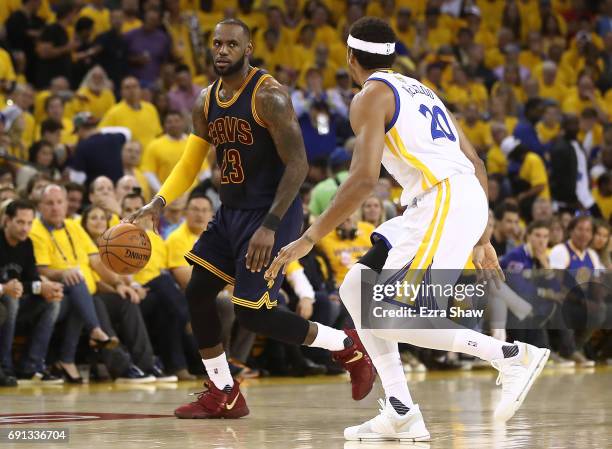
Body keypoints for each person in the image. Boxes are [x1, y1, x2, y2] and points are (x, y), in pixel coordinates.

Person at [266, 17, 550, 441]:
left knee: (388, 314)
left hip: (441, 200)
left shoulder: (369, 97)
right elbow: (477, 164)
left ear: (350, 58)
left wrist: (310, 237)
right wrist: (482, 236)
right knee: (357, 288)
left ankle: (510, 354)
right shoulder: (422, 90)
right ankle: (400, 410)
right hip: (446, 200)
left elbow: (363, 179)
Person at [126, 18, 375, 419]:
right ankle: (224, 391)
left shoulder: (269, 96)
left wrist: (271, 226)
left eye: (231, 44)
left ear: (248, 49)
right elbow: (191, 163)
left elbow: (298, 165)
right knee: (199, 293)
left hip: (272, 214)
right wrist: (159, 201)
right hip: (231, 214)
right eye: (216, 44)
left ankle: (346, 345)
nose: (222, 50)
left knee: (252, 312)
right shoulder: (206, 100)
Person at [0, 199, 64, 384]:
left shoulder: (27, 244)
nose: (25, 228)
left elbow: (32, 280)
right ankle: (5, 367)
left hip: (16, 305)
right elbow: (24, 286)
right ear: (7, 220)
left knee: (52, 302)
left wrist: (47, 288)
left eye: (29, 223)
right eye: (20, 222)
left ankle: (31, 365)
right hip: (4, 304)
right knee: (11, 300)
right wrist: (7, 288)